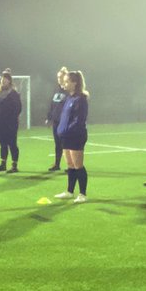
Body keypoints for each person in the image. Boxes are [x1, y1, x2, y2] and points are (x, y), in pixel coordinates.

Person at [53, 70, 90, 203]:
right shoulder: (69, 97)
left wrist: (67, 130)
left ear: (75, 83)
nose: (65, 83)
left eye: (67, 81)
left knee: (78, 165)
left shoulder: (81, 99)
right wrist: (60, 130)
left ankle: (83, 194)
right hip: (66, 136)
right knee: (70, 164)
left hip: (76, 136)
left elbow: (79, 120)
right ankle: (69, 191)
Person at [0, 69, 22, 172]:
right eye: (2, 79)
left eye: (5, 79)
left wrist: (11, 119)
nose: (3, 81)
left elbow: (18, 108)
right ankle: (3, 164)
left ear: (9, 81)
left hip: (10, 123)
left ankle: (14, 166)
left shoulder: (13, 93)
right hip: (0, 122)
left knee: (12, 143)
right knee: (2, 144)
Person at [44, 67, 69, 171]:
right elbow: (52, 105)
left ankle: (70, 165)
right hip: (56, 121)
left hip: (64, 122)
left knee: (66, 144)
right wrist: (49, 117)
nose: (58, 79)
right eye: (58, 77)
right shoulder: (56, 90)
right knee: (57, 144)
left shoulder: (68, 91)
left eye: (60, 77)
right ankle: (57, 164)